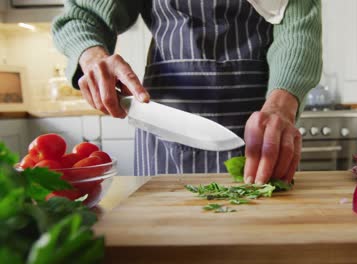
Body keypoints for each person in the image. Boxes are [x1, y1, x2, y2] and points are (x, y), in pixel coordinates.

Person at [52, 0, 322, 184]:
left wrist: (281, 106)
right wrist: (91, 56)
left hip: (260, 119)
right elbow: (83, 15)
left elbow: (298, 30)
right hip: (165, 122)